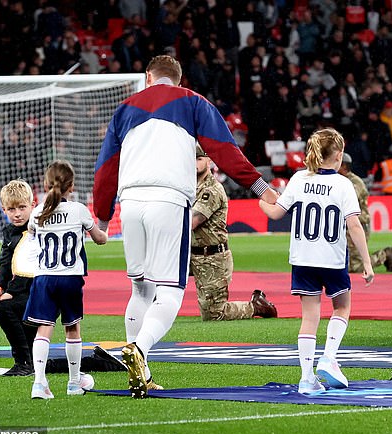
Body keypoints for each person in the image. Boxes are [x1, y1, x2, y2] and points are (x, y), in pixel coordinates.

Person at [92, 55, 278, 399]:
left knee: (140, 290)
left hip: (130, 203)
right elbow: (223, 149)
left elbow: (106, 166)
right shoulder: (192, 101)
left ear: (149, 76)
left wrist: (101, 218)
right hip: (169, 199)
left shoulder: (124, 108)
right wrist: (261, 188)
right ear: (178, 78)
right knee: (171, 291)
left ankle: (140, 371)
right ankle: (140, 349)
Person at [258, 128, 374, 395]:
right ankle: (329, 357)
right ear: (339, 155)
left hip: (303, 257)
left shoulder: (299, 179)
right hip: (332, 258)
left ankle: (307, 378)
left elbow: (276, 213)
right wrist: (367, 262)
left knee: (309, 317)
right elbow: (354, 225)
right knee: (342, 307)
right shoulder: (344, 184)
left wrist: (261, 201)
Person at [24, 160, 108, 399]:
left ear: (45, 183)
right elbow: (100, 239)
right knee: (72, 328)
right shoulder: (78, 210)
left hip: (44, 278)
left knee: (44, 328)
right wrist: (105, 227)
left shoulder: (38, 212)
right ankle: (73, 382)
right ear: (71, 186)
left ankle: (39, 383)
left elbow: (31, 237)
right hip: (70, 277)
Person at [191, 144, 277, 321]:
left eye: (199, 159)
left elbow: (191, 222)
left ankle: (256, 306)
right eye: (191, 158)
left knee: (214, 314)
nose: (194, 163)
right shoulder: (188, 187)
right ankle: (153, 311)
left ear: (210, 161)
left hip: (211, 257)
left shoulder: (211, 190)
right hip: (190, 254)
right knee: (156, 276)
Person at [0, 179, 38, 376]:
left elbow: (31, 267)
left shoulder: (37, 231)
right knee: (3, 305)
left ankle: (23, 362)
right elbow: (5, 264)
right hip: (21, 291)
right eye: (11, 209)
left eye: (22, 207)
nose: (17, 214)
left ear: (32, 206)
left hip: (40, 290)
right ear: (3, 209)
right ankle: (30, 361)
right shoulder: (9, 232)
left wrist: (10, 293)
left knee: (4, 309)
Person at [338, 153, 392, 273]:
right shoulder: (342, 180)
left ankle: (384, 255)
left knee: (355, 266)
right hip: (346, 224)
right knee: (344, 262)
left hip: (358, 224)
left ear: (343, 166)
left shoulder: (354, 182)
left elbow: (348, 199)